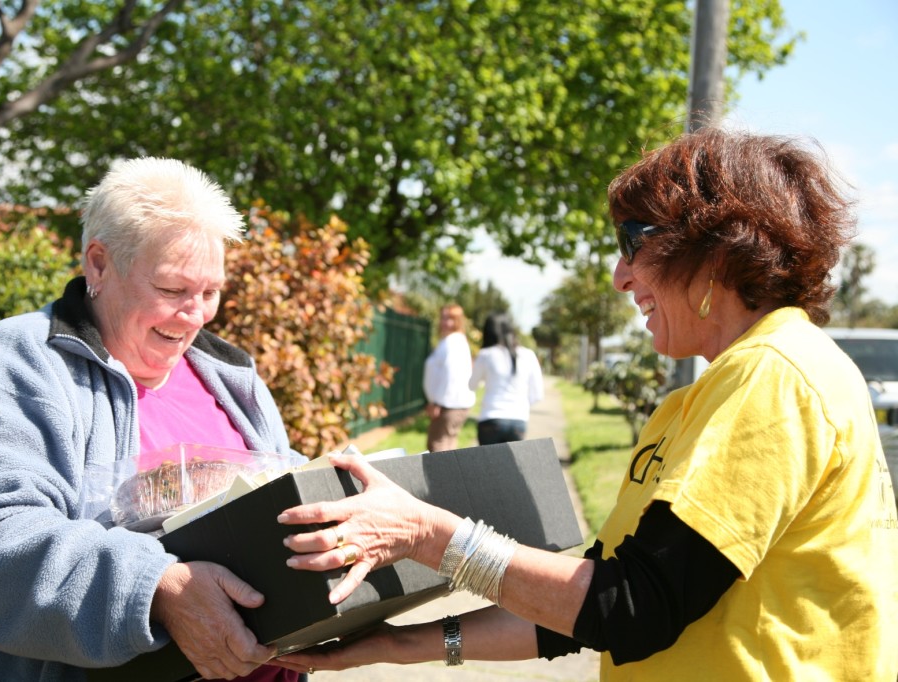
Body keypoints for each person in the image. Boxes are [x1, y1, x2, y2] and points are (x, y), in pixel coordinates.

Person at [274, 128, 898, 680]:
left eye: (634, 242)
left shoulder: (775, 374)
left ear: (716, 250)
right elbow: (586, 608)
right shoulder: (703, 398)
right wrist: (397, 644)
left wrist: (425, 533)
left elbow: (634, 607)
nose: (619, 277)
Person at [0, 158, 301, 681]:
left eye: (210, 292)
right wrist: (154, 589)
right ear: (98, 264)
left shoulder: (231, 376)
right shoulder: (20, 364)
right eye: (173, 289)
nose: (197, 315)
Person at [469, 311, 544, 445]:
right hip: (518, 420)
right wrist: (521, 405)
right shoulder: (528, 355)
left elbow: (471, 385)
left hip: (490, 419)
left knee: (488, 466)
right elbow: (537, 394)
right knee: (511, 466)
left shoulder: (486, 355)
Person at [422, 303, 476, 452]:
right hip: (452, 404)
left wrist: (437, 403)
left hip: (449, 405)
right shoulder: (452, 341)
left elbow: (450, 376)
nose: (445, 322)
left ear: (458, 321)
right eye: (443, 317)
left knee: (437, 448)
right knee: (448, 448)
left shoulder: (453, 342)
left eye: (450, 318)